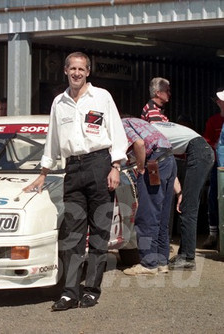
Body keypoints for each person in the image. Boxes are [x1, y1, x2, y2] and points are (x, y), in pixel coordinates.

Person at [23, 52, 128, 311]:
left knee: (100, 232)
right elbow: (53, 140)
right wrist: (43, 173)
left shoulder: (102, 97)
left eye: (81, 69)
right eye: (73, 69)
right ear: (66, 71)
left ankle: (91, 290)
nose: (77, 73)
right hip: (73, 169)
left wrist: (115, 166)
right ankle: (70, 292)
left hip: (99, 165)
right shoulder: (59, 102)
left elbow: (116, 131)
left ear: (88, 71)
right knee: (72, 235)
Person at [152, 121, 214, 270]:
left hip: (199, 152)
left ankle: (188, 257)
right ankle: (184, 254)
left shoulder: (148, 135)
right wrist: (179, 192)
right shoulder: (153, 127)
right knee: (188, 203)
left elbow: (153, 163)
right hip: (200, 150)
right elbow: (170, 166)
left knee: (188, 207)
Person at [120, 117, 177, 276]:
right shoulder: (138, 122)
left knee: (147, 214)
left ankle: (148, 263)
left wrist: (140, 168)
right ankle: (161, 262)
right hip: (170, 160)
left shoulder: (121, 124)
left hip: (154, 163)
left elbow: (139, 144)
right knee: (162, 215)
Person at [201, 87, 224, 249]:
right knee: (213, 196)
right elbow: (207, 142)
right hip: (218, 166)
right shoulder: (213, 121)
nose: (219, 101)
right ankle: (213, 234)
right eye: (218, 99)